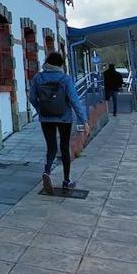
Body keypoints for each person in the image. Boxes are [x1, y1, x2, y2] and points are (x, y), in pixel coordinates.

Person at [30, 52, 89, 193]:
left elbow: (32, 98)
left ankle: (46, 172)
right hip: (64, 118)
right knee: (64, 148)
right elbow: (74, 100)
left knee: (51, 147)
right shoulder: (65, 79)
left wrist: (40, 110)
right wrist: (84, 120)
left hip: (46, 118)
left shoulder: (38, 77)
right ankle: (66, 180)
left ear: (47, 62)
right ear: (61, 64)